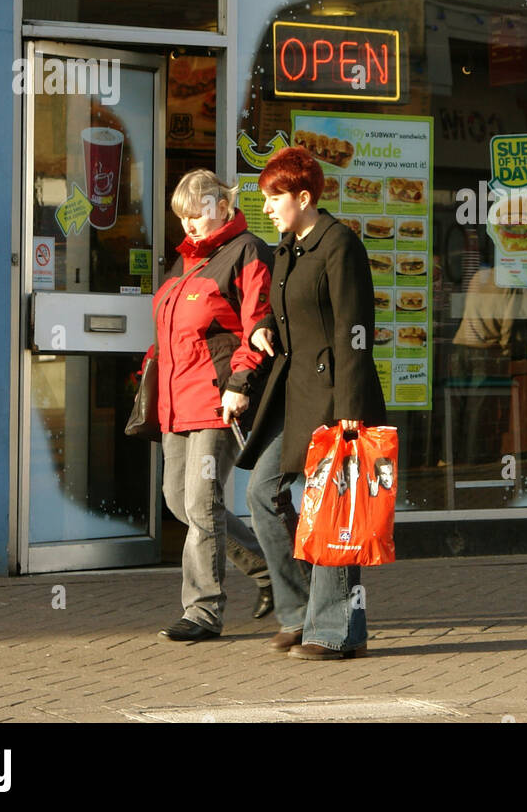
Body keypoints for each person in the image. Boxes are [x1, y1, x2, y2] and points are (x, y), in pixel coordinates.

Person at [236, 146, 386, 659]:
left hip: (333, 399)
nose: (268, 208)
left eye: (275, 197)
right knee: (261, 493)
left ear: (304, 196)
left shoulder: (339, 244)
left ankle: (340, 630)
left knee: (334, 511)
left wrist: (351, 407)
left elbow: (354, 330)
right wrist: (259, 331)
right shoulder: (286, 248)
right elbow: (281, 314)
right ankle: (300, 613)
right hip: (291, 396)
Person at [148, 170, 273, 641]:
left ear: (222, 205)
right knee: (178, 502)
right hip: (175, 405)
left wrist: (240, 383)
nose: (190, 225)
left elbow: (260, 325)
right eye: (183, 216)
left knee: (202, 503)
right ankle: (270, 570)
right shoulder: (186, 265)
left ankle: (202, 610)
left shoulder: (246, 253)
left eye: (197, 212)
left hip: (217, 401)